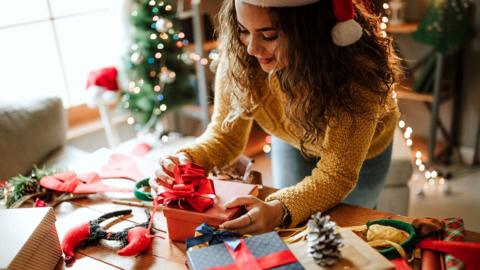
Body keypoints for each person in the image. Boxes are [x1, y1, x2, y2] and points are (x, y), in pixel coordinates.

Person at [149, 0, 401, 235]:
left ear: (310, 30)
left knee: (346, 235)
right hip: (293, 140)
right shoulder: (240, 56)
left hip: (363, 157)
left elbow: (336, 175)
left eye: (269, 35)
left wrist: (279, 209)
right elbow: (224, 138)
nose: (251, 47)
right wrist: (187, 160)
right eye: (243, 30)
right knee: (293, 230)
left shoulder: (356, 75)